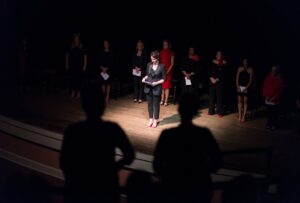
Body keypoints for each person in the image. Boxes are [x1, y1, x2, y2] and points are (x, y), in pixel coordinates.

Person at [60, 83, 135, 203]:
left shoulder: (73, 130)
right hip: (106, 188)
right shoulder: (112, 129)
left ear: (83, 105)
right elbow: (130, 155)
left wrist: (75, 180)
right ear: (103, 105)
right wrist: (113, 169)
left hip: (79, 190)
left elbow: (64, 163)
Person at [153, 93, 222, 203]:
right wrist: (201, 172)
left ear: (179, 109)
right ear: (195, 111)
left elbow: (157, 165)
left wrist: (169, 177)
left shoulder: (167, 135)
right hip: (199, 188)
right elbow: (217, 162)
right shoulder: (204, 134)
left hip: (173, 188)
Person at [142, 50, 166, 128]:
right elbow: (147, 75)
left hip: (157, 88)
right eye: (152, 59)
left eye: (154, 59)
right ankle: (150, 119)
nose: (153, 61)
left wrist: (156, 83)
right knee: (149, 104)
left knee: (156, 105)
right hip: (148, 87)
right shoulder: (149, 64)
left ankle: (155, 120)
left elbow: (164, 79)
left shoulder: (162, 66)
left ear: (158, 58)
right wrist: (144, 78)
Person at [65, 33, 87, 98]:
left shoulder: (82, 47)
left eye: (77, 39)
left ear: (79, 40)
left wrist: (85, 65)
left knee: (79, 80)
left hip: (80, 66)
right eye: (75, 39)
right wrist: (66, 64)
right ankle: (73, 92)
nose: (76, 40)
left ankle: (78, 93)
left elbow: (85, 56)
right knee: (72, 79)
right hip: (72, 65)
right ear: (74, 40)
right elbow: (67, 55)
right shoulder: (71, 46)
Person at [262, 65, 284, 131]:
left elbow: (280, 90)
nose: (273, 71)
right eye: (272, 70)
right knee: (269, 112)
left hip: (275, 99)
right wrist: (265, 96)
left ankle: (273, 124)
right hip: (268, 98)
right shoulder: (268, 78)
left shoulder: (280, 79)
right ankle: (269, 124)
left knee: (274, 113)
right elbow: (264, 87)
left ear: (277, 71)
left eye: (274, 70)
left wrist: (275, 97)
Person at [208, 51, 227, 117]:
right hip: (212, 82)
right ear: (216, 56)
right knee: (212, 97)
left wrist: (216, 80)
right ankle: (211, 111)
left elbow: (223, 74)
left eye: (220, 54)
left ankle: (219, 112)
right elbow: (209, 71)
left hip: (220, 83)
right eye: (217, 54)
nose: (218, 55)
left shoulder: (224, 63)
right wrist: (211, 78)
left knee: (219, 98)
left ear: (222, 56)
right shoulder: (212, 62)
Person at [160, 39, 175, 106]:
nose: (164, 45)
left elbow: (172, 64)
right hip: (161, 71)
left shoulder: (171, 52)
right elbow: (159, 62)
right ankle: (162, 100)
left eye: (165, 44)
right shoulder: (161, 52)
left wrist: (166, 71)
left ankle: (166, 100)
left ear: (168, 45)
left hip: (168, 72)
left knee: (167, 87)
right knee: (162, 87)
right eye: (163, 44)